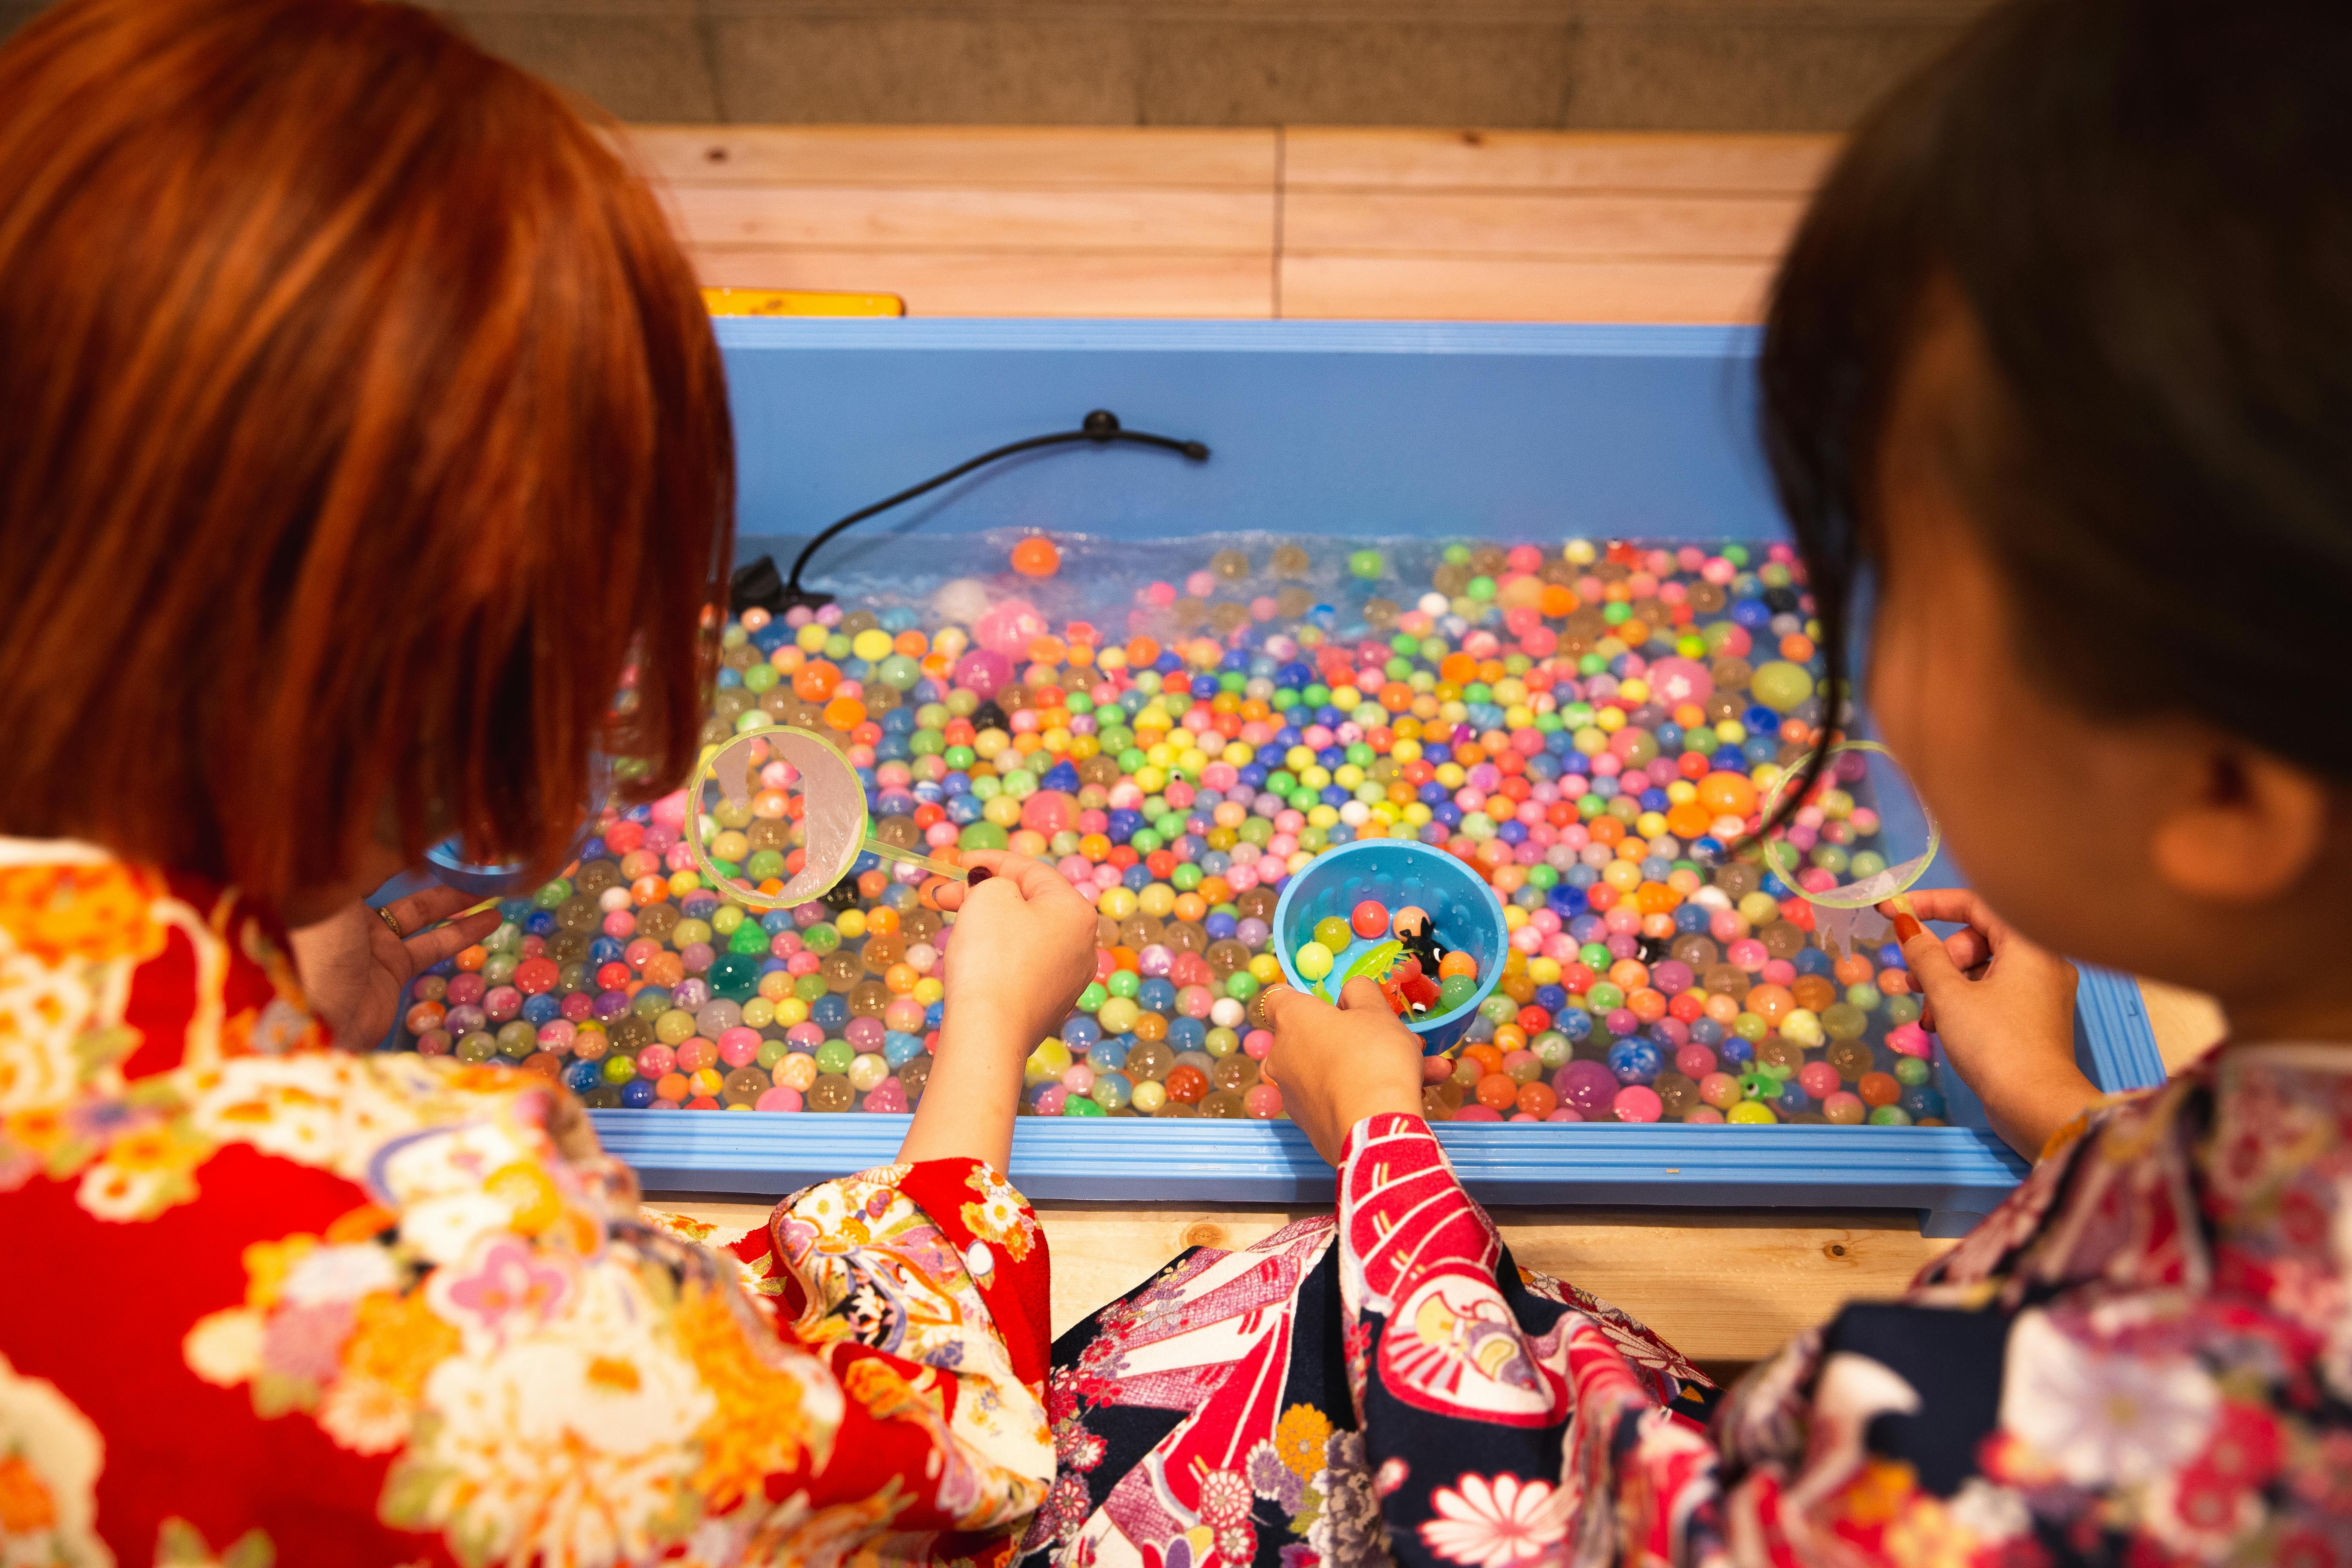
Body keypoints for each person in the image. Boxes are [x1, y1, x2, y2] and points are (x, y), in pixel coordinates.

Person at [1021, 1, 2352, 1564]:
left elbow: (1508, 1534)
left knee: (1241, 1354)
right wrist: (2067, 1122)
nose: (1855, 642)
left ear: (2225, 804)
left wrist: (1382, 1126)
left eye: (1903, 581)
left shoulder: (2006, 1481)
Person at [0, 0, 1101, 1560]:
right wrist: (986, 1032)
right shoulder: (454, 1268)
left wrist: (282, 1024)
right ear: (439, 687)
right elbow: (950, 1467)